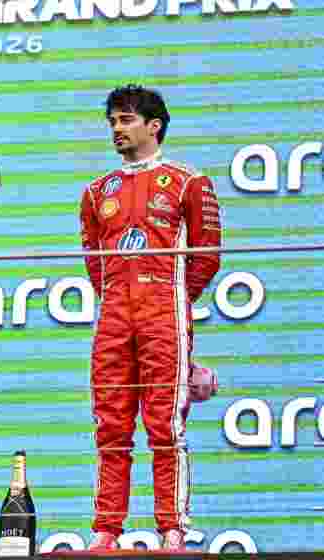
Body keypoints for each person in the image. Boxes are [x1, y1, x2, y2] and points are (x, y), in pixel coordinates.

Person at [79, 85, 223, 552]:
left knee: (165, 423)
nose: (117, 130)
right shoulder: (97, 191)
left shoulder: (187, 181)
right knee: (111, 425)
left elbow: (206, 255)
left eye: (125, 120)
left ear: (153, 125)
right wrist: (120, 298)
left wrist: (174, 296)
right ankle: (106, 529)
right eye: (112, 122)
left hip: (164, 312)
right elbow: (93, 262)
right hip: (114, 316)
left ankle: (172, 528)